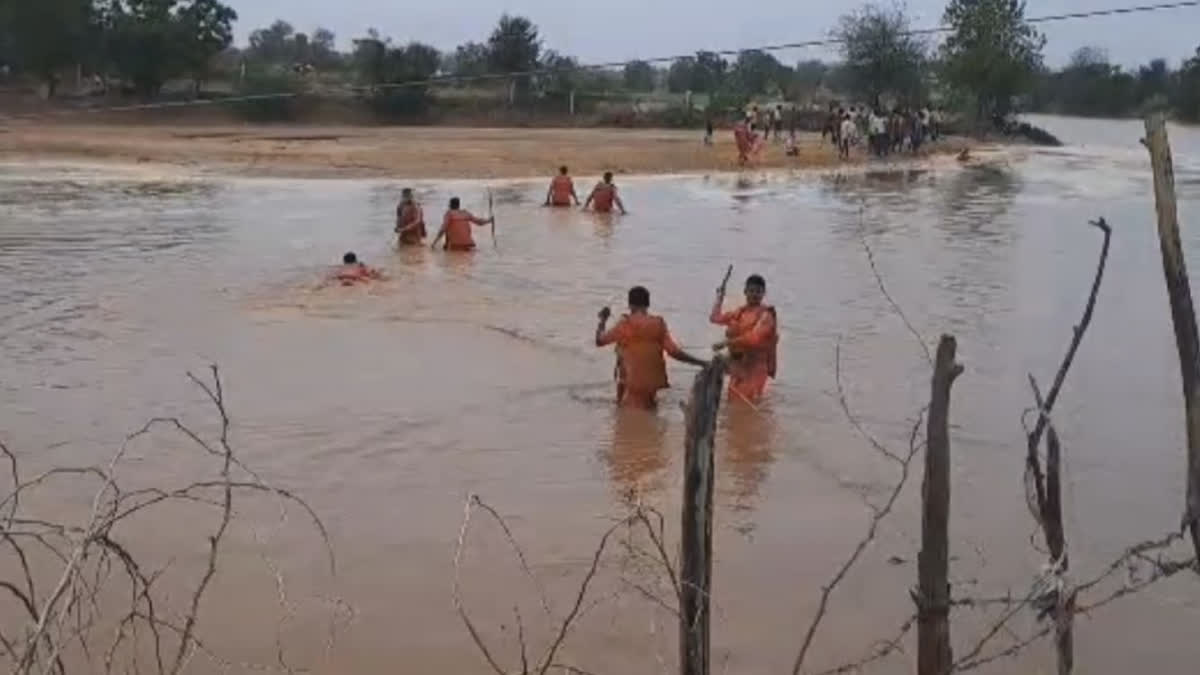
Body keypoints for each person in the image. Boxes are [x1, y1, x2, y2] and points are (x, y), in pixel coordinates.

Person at [595, 286, 707, 408]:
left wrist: (602, 320)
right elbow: (674, 352)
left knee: (630, 417)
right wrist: (701, 362)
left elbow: (599, 341)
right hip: (651, 389)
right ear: (647, 304)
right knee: (649, 412)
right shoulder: (658, 324)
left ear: (630, 305)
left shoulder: (624, 324)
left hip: (632, 390)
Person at [710, 274, 778, 401]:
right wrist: (719, 297)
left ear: (764, 293)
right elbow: (715, 318)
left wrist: (727, 343)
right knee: (732, 403)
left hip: (756, 367)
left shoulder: (766, 315)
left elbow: (754, 339)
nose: (754, 294)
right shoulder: (739, 312)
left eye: (758, 291)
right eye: (751, 291)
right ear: (745, 292)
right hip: (738, 366)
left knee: (747, 401)